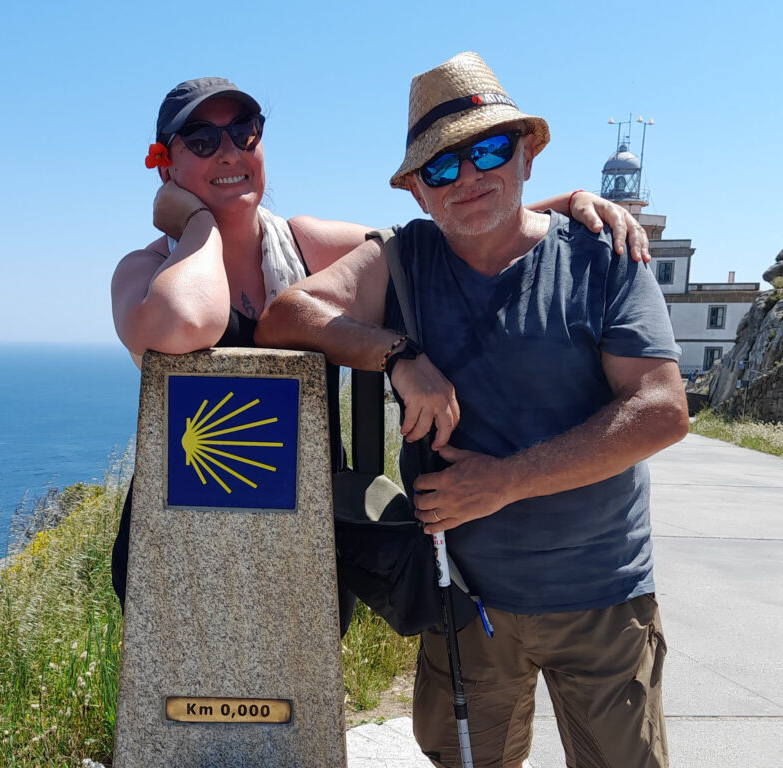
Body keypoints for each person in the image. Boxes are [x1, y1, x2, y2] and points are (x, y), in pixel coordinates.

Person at [255, 52, 688, 767]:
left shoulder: (602, 255)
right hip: (467, 604)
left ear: (527, 153)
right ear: (419, 191)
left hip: (603, 599)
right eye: (441, 168)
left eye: (487, 151)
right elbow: (286, 316)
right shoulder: (407, 257)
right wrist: (398, 354)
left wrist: (504, 482)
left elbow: (662, 409)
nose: (468, 178)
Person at [110, 76, 653, 634]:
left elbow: (443, 241)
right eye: (201, 139)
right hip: (180, 544)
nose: (229, 150)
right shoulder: (145, 273)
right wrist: (198, 225)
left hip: (302, 541)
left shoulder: (302, 243)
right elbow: (188, 320)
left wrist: (561, 205)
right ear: (165, 165)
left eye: (244, 131)